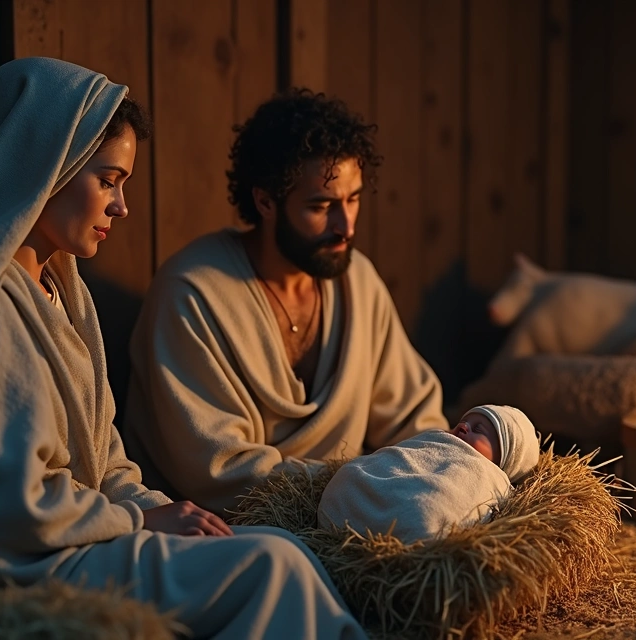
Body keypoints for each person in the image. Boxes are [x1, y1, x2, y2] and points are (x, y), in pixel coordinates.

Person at [0, 57, 365, 639]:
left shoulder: (64, 288)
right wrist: (139, 518)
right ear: (44, 165)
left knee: (278, 545)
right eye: (108, 181)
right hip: (20, 565)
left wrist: (161, 511)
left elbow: (106, 459)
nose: (121, 207)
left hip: (84, 534)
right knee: (269, 567)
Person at [123, 89, 448, 515]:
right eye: (321, 206)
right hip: (223, 531)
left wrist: (445, 467)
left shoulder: (357, 282)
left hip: (351, 513)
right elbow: (217, 471)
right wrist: (362, 483)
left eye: (352, 200)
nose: (345, 226)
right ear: (265, 201)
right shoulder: (192, 294)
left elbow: (415, 417)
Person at [317, 405, 540, 543]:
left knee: (426, 509)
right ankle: (350, 505)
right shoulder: (436, 438)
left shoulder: (492, 478)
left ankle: (397, 528)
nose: (463, 426)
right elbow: (402, 456)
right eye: (465, 421)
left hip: (417, 502)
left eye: (478, 429)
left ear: (505, 458)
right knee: (348, 475)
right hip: (385, 481)